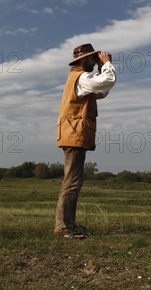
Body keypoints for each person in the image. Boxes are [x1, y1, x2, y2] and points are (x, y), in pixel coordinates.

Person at [54, 43, 116, 238]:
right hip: (74, 134)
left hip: (73, 133)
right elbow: (108, 80)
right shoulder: (81, 77)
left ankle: (68, 225)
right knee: (71, 182)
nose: (94, 60)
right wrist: (106, 64)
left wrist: (101, 67)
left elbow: (101, 91)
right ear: (83, 60)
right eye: (92, 58)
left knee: (73, 181)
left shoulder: (80, 78)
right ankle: (64, 227)